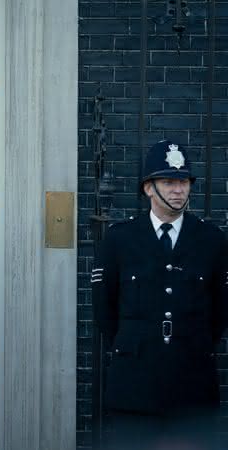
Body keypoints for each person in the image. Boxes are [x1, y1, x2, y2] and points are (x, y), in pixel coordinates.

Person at [93, 140, 228, 449]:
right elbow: (104, 311)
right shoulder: (119, 239)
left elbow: (220, 311)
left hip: (192, 387)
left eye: (183, 181)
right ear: (148, 188)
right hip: (135, 387)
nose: (178, 189)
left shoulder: (211, 239)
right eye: (168, 181)